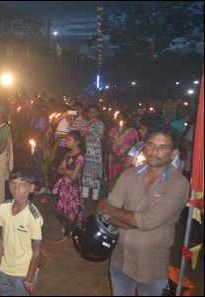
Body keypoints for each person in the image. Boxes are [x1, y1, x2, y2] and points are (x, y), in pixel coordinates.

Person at [97, 122, 189, 296]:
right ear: (144, 147)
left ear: (173, 153)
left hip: (151, 267)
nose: (154, 151)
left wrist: (112, 210)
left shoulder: (178, 184)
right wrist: (132, 220)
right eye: (150, 145)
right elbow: (103, 212)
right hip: (119, 261)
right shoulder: (129, 175)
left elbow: (146, 221)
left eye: (163, 147)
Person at [0, 167, 43, 296]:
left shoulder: (33, 217)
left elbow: (37, 253)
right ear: (8, 185)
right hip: (4, 272)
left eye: (22, 185)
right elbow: (1, 237)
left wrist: (28, 280)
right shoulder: (3, 208)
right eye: (13, 184)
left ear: (31, 188)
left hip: (24, 274)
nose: (16, 189)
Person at [52, 130, 85, 246]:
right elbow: (58, 169)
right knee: (66, 211)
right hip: (65, 186)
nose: (66, 142)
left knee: (73, 211)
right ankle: (67, 236)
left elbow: (74, 175)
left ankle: (70, 237)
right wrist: (68, 171)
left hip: (73, 188)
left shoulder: (80, 157)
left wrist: (65, 171)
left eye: (69, 140)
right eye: (66, 139)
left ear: (77, 142)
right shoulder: (68, 154)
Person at [108, 112, 139, 183]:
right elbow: (108, 144)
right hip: (114, 157)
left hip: (125, 158)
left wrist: (120, 157)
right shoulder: (113, 130)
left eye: (120, 118)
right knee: (113, 177)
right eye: (117, 118)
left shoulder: (132, 131)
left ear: (125, 120)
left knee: (123, 177)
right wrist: (115, 155)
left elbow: (133, 147)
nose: (117, 120)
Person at [81, 104, 104, 200]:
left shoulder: (100, 124)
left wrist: (87, 133)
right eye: (89, 112)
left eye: (93, 112)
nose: (91, 114)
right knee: (86, 172)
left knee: (95, 173)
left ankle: (95, 196)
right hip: (86, 151)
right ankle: (85, 194)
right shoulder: (86, 123)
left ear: (97, 113)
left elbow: (98, 136)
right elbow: (82, 135)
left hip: (95, 152)